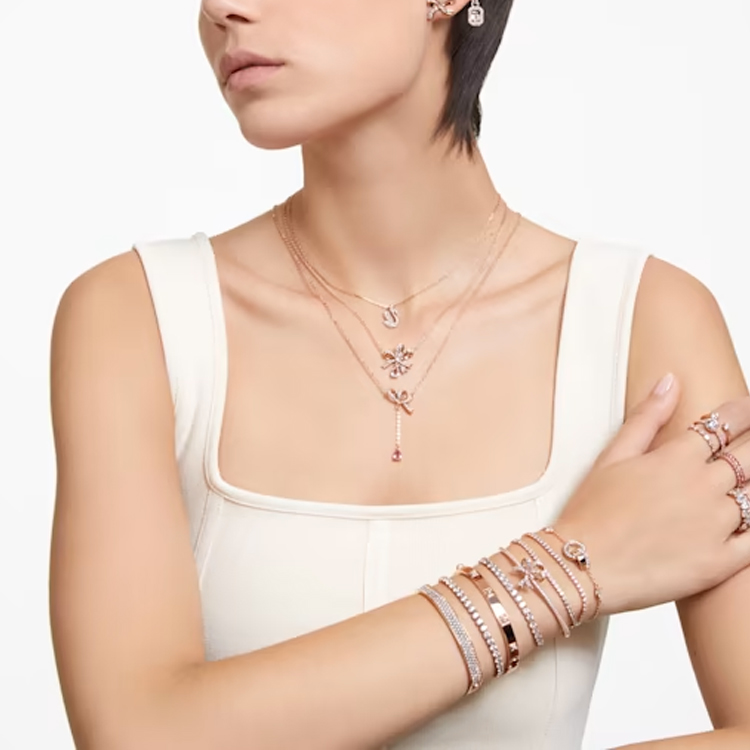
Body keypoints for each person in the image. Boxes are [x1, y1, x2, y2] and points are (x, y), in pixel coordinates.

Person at [48, 0, 750, 748]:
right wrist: (567, 569)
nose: (223, 8)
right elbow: (135, 735)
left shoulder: (645, 323)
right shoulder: (137, 318)